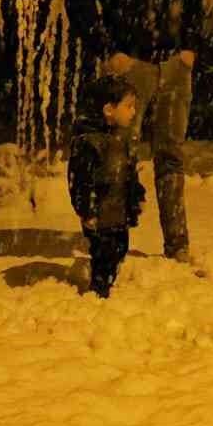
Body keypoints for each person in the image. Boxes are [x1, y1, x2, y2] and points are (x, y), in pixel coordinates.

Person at [66, 0, 202, 262]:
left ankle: (177, 245)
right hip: (131, 66)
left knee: (171, 156)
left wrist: (191, 48)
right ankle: (111, 245)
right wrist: (110, 53)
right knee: (117, 155)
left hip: (175, 64)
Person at [66, 75, 146, 298]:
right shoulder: (88, 142)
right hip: (99, 213)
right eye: (128, 106)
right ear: (109, 110)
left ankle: (106, 284)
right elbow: (79, 180)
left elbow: (128, 174)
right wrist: (87, 210)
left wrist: (136, 196)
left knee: (119, 249)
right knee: (104, 253)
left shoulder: (121, 140)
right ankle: (99, 292)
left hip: (118, 211)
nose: (133, 112)